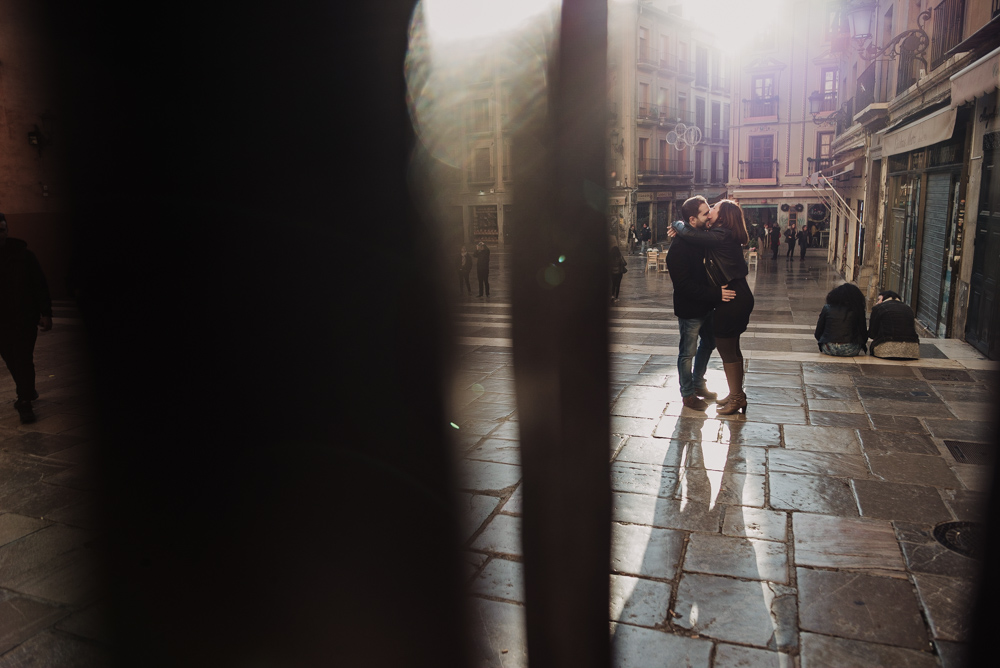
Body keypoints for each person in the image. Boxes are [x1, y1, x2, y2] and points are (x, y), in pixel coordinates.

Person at [669, 199, 754, 415]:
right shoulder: (683, 245)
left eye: (712, 211)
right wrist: (679, 226)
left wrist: (678, 225)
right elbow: (683, 285)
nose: (709, 215)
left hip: (718, 302)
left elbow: (692, 236)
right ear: (692, 219)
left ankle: (713, 388)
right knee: (690, 352)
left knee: (717, 346)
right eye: (706, 212)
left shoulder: (713, 237)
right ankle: (689, 394)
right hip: (695, 306)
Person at [0, 213, 52, 424]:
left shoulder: (24, 256)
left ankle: (24, 401)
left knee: (22, 359)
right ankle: (28, 390)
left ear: (7, 231)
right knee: (10, 358)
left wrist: (46, 313)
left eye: (1, 229)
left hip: (23, 319)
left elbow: (40, 284)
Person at [814, 283, 868, 357]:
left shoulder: (827, 308)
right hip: (851, 349)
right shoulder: (858, 310)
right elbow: (863, 333)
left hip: (829, 347)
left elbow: (818, 332)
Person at [868, 290, 920, 359]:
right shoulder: (909, 309)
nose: (877, 302)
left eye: (879, 299)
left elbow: (872, 334)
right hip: (912, 351)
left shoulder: (878, 308)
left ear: (885, 298)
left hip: (886, 351)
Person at [609, 236, 627, 302]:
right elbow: (625, 263)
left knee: (613, 284)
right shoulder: (619, 256)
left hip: (612, 273)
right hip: (619, 273)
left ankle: (612, 295)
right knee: (618, 285)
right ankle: (616, 297)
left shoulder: (610, 257)